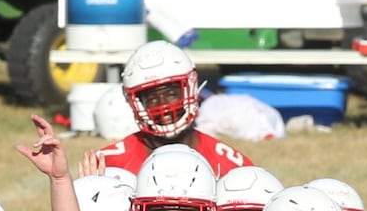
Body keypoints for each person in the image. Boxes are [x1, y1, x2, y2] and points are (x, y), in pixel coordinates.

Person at [99, 40, 252, 176]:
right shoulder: (110, 164)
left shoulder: (231, 166)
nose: (163, 105)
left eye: (171, 94)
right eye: (152, 98)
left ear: (190, 88)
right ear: (137, 102)